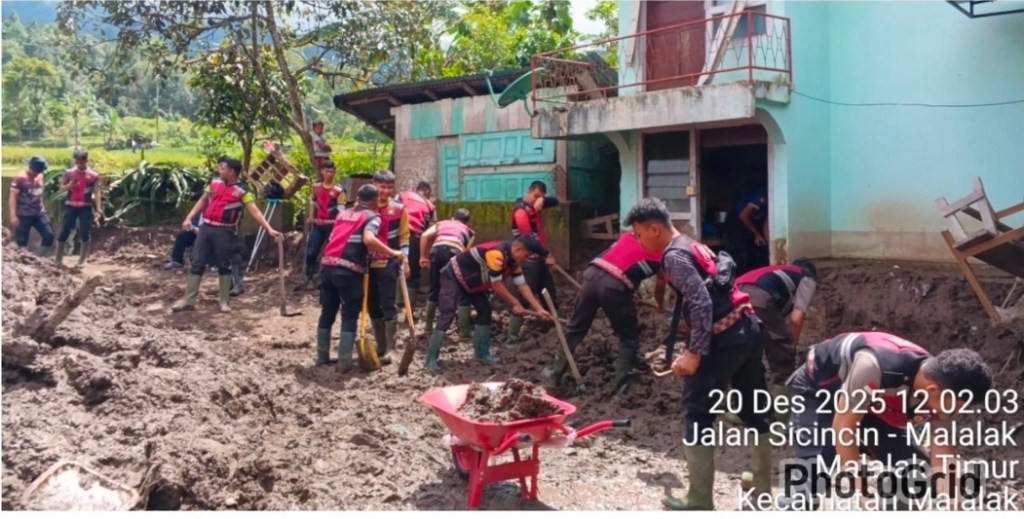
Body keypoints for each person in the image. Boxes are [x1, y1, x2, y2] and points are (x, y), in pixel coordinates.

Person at [628, 197, 772, 510]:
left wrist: (694, 352)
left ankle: (698, 500)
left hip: (724, 340)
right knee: (753, 411)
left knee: (697, 413)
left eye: (638, 234)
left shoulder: (674, 258)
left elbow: (701, 303)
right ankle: (761, 486)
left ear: (654, 229)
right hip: (748, 328)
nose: (637, 241)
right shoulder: (693, 245)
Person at [778, 332, 993, 511]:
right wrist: (860, 490)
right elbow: (843, 429)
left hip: (870, 403)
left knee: (914, 470)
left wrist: (954, 503)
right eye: (956, 407)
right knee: (815, 471)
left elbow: (943, 454)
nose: (955, 412)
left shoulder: (945, 388)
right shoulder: (874, 365)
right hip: (818, 392)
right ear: (933, 391)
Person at [545, 232, 665, 395]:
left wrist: (629, 291)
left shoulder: (629, 236)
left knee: (575, 328)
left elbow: (621, 261)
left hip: (591, 277)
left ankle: (555, 373)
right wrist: (660, 305)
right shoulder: (661, 255)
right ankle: (622, 389)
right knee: (629, 337)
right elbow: (660, 285)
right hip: (614, 287)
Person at [424, 237, 552, 372]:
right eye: (527, 256)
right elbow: (496, 285)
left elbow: (522, 285)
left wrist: (539, 309)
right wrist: (515, 303)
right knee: (448, 313)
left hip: (474, 284)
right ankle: (431, 359)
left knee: (485, 311)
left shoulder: (513, 262)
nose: (527, 259)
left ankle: (482, 353)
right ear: (518, 250)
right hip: (453, 276)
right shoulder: (496, 254)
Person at [172, 157, 282, 313]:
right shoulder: (214, 183)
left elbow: (254, 211)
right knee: (197, 262)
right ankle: (188, 300)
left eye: (222, 168)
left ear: (231, 172)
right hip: (206, 228)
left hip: (226, 231)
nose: (219, 170)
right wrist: (189, 217)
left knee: (224, 264)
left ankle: (224, 301)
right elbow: (203, 201)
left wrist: (269, 229)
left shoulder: (243, 191)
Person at [315, 184, 404, 368]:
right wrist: (393, 253)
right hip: (347, 270)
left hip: (327, 266)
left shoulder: (343, 214)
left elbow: (336, 237)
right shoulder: (372, 216)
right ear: (374, 200)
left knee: (327, 313)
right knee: (349, 315)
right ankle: (345, 362)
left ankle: (322, 357)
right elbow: (369, 239)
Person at [735, 259, 819, 409]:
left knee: (747, 356)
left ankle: (746, 412)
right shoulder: (806, 276)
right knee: (783, 360)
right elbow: (796, 318)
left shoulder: (774, 273)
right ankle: (784, 420)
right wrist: (790, 345)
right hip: (758, 297)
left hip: (734, 295)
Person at [506, 180, 560, 346]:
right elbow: (528, 240)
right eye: (535, 196)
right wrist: (547, 254)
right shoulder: (520, 211)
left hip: (540, 260)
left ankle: (553, 327)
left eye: (540, 197)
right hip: (529, 260)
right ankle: (512, 337)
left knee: (548, 291)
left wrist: (542, 201)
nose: (537, 199)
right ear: (528, 192)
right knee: (524, 297)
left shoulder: (535, 206)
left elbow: (556, 201)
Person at [367, 170, 410, 365]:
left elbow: (404, 237)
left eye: (389, 188)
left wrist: (405, 258)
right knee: (372, 305)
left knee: (388, 304)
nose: (385, 191)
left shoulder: (399, 209)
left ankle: (391, 349)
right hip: (367, 264)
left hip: (389, 262)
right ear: (374, 185)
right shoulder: (366, 207)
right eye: (382, 187)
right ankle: (381, 345)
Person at [418, 208, 474, 336]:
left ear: (453, 217)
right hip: (455, 253)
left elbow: (425, 235)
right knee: (461, 290)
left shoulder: (442, 223)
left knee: (434, 287)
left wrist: (423, 256)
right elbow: (466, 253)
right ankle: (464, 333)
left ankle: (428, 327)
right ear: (467, 222)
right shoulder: (470, 231)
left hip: (436, 252)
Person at [55, 149, 103, 269]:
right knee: (64, 231)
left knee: (85, 233)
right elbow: (61, 189)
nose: (80, 165)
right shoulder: (68, 173)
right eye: (77, 162)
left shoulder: (93, 176)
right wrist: (69, 186)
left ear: (87, 160)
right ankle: (58, 259)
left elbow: (97, 193)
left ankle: (82, 260)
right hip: (70, 206)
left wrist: (98, 210)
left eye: (82, 162)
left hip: (85, 207)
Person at [304, 160, 348, 285]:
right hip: (318, 224)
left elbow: (341, 210)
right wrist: (311, 217)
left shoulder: (339, 190)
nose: (329, 174)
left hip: (332, 225)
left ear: (335, 173)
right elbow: (313, 202)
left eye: (331, 172)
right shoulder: (316, 187)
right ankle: (309, 276)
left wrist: (339, 224)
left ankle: (326, 279)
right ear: (322, 172)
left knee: (330, 252)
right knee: (312, 251)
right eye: (327, 171)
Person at [9, 156, 56, 256]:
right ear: (31, 168)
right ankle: (22, 261)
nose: (38, 173)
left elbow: (39, 193)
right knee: (22, 241)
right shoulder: (20, 179)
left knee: (49, 235)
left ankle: (38, 258)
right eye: (37, 171)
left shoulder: (40, 176)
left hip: (39, 212)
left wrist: (43, 206)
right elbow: (13, 198)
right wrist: (13, 216)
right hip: (23, 213)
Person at [398, 181, 436, 298]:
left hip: (395, 234)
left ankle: (397, 302)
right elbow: (431, 231)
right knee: (413, 275)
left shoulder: (401, 195)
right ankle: (407, 311)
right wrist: (425, 255)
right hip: (414, 237)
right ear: (428, 192)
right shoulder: (430, 205)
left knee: (394, 268)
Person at [727, 185, 769, 274]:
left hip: (749, 222)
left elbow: (766, 223)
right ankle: (736, 277)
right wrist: (756, 234)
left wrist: (765, 238)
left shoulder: (769, 201)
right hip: (737, 219)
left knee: (755, 248)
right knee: (740, 249)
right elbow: (743, 215)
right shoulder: (760, 196)